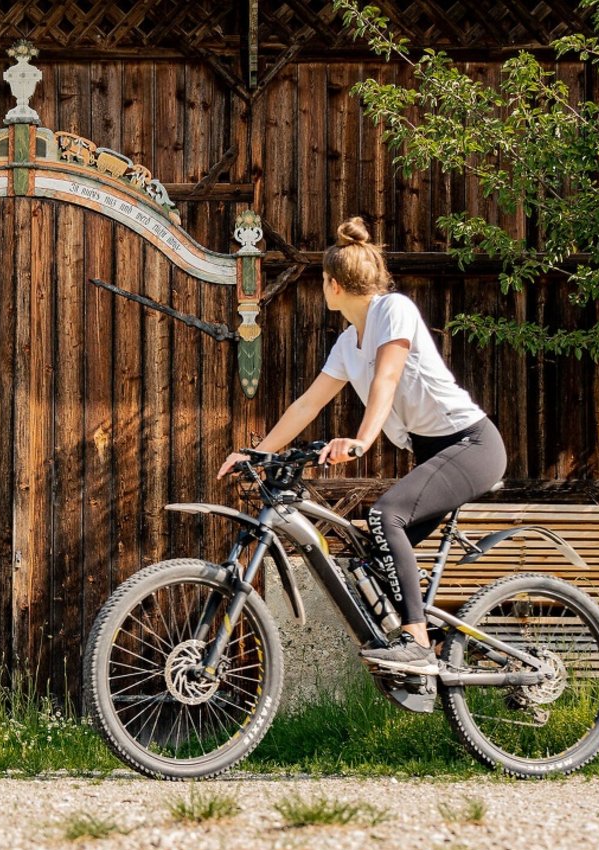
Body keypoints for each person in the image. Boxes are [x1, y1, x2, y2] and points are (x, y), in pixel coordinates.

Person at [216, 217, 506, 677]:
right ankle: (429, 645)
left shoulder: (394, 309)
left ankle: (415, 643)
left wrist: (362, 440)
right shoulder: (348, 344)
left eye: (322, 283)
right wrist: (255, 454)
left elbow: (387, 379)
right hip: (435, 453)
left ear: (333, 285)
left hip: (471, 444)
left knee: (384, 514)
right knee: (373, 556)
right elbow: (307, 405)